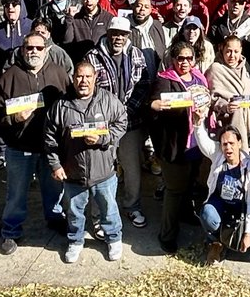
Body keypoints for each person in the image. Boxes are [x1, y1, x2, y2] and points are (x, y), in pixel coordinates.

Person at [0, 34, 72, 253]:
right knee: (16, 192)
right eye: (29, 47)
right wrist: (13, 118)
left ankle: (54, 218)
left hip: (50, 148)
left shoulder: (59, 73)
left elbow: (72, 105)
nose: (33, 51)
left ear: (46, 49)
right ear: (22, 50)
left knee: (54, 188)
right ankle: (11, 231)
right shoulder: (9, 77)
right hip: (19, 148)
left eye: (38, 47)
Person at [45, 61, 129, 264]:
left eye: (87, 77)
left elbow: (122, 122)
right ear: (73, 79)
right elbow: (49, 138)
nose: (83, 81)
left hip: (104, 171)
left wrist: (103, 138)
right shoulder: (61, 105)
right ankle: (75, 240)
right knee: (74, 211)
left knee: (109, 208)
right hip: (73, 172)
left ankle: (114, 238)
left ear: (95, 78)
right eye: (79, 77)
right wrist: (55, 165)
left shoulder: (108, 100)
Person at [85, 16, 153, 230]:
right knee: (102, 170)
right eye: (114, 33)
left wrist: (127, 109)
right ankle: (99, 215)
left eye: (122, 34)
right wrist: (109, 112)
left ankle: (132, 206)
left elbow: (144, 84)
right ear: (108, 32)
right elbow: (88, 89)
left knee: (132, 169)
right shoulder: (93, 56)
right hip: (103, 122)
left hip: (130, 122)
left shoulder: (136, 55)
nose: (118, 37)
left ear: (127, 36)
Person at [149, 39, 211, 253]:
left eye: (189, 58)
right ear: (173, 59)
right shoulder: (164, 80)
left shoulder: (199, 78)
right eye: (180, 58)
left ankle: (185, 215)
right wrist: (156, 106)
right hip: (175, 145)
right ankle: (166, 235)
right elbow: (154, 104)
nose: (185, 62)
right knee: (174, 191)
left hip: (196, 143)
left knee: (189, 184)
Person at [194, 121, 250, 265]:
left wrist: (248, 233)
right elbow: (204, 142)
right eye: (224, 144)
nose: (228, 148)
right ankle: (216, 242)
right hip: (221, 205)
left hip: (242, 208)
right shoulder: (218, 156)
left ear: (239, 143)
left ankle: (236, 238)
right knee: (207, 214)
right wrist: (198, 123)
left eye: (232, 143)